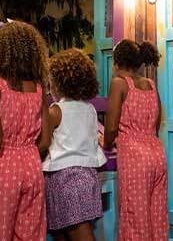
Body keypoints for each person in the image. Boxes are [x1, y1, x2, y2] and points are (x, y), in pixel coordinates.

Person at [0, 21, 52, 241]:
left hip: (2, 167)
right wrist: (26, 153)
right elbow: (46, 141)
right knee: (30, 234)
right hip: (32, 165)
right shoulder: (39, 89)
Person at [104, 40, 168, 241]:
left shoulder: (119, 83)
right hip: (157, 154)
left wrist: (107, 143)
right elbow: (157, 122)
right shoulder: (150, 84)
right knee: (157, 215)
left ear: (116, 62)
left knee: (136, 218)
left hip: (134, 158)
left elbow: (111, 126)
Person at [43, 49, 106, 241]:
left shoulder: (56, 110)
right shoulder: (90, 109)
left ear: (57, 83)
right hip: (88, 176)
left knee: (74, 233)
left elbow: (43, 141)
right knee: (75, 230)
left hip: (64, 180)